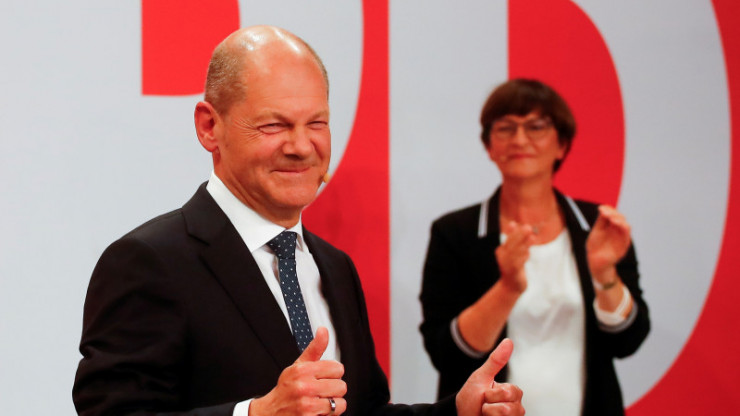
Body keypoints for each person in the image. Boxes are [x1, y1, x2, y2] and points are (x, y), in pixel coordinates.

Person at [73, 26, 524, 416]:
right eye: (274, 125)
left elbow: (365, 411)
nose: (302, 147)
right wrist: (255, 414)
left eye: (317, 123)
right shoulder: (149, 262)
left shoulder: (335, 267)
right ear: (210, 127)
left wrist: (457, 411)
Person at [419, 79, 650, 416]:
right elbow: (447, 354)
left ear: (562, 145)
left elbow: (628, 340)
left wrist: (604, 276)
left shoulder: (598, 226)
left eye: (536, 127)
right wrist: (508, 288)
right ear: (489, 146)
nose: (520, 139)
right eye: (506, 128)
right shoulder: (456, 232)